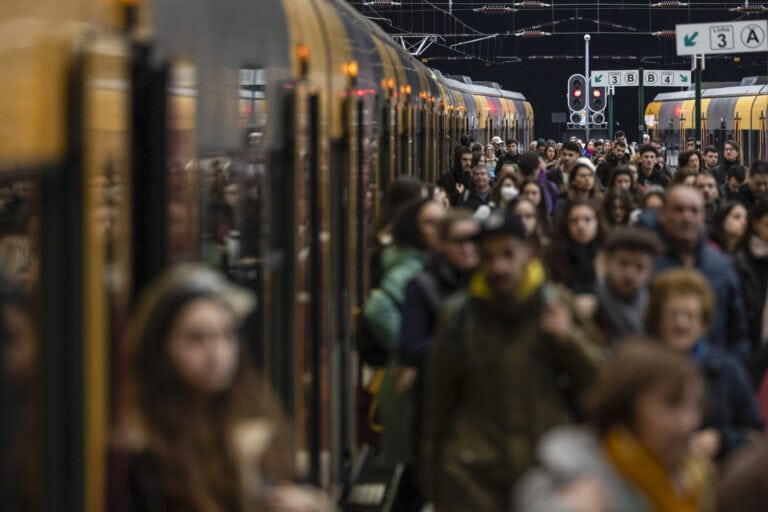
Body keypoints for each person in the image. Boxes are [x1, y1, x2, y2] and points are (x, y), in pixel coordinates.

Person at [421, 209, 603, 512]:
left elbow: (599, 385)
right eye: (489, 257)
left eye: (508, 254)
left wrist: (569, 340)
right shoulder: (461, 317)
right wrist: (434, 486)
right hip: (473, 480)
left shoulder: (556, 306)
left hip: (546, 475)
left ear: (529, 251)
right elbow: (437, 406)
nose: (499, 267)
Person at [121, 265, 327, 511]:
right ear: (160, 350)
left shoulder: (251, 411)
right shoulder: (143, 445)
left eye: (226, 335)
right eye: (196, 338)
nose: (217, 354)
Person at [514, 341, 714, 512]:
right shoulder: (570, 478)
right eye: (670, 404)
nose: (688, 422)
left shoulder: (692, 480)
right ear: (626, 407)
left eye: (693, 405)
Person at [646, 269, 763, 461]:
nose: (681, 324)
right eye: (673, 315)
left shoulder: (727, 370)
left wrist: (722, 439)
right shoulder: (642, 368)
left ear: (703, 324)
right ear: (657, 320)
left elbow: (755, 435)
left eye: (691, 316)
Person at [638, 186, 750, 359]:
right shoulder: (645, 263)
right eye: (678, 210)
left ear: (703, 215)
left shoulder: (721, 266)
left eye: (694, 211)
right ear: (663, 215)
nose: (686, 217)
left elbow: (737, 332)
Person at [594, 228, 660, 345]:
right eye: (623, 264)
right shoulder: (593, 304)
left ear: (649, 272)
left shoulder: (655, 307)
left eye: (639, 267)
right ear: (607, 263)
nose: (630, 274)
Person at [545, 200, 603, 314]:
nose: (581, 226)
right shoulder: (552, 255)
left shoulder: (609, 253)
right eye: (574, 221)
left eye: (587, 220)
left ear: (597, 222)